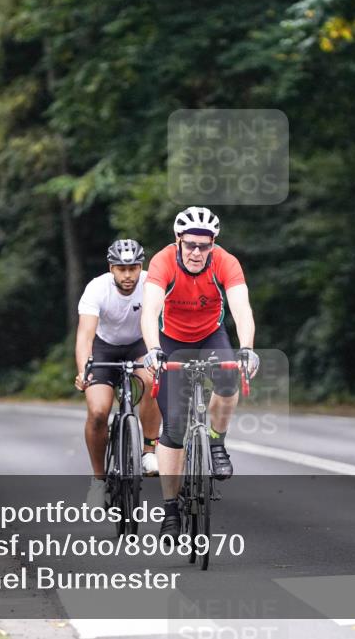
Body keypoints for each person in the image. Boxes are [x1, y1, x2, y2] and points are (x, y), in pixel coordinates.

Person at [140, 206, 260, 541]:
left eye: (204, 246)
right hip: (171, 340)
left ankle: (216, 442)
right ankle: (170, 510)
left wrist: (247, 348)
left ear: (213, 244)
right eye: (190, 244)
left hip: (210, 336)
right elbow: (149, 311)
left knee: (228, 377)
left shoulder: (225, 262)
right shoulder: (163, 261)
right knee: (174, 426)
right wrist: (153, 349)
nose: (196, 252)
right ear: (178, 239)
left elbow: (242, 309)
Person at [76, 239, 163, 508]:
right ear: (111, 268)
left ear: (141, 267)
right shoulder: (97, 288)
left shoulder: (152, 284)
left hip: (139, 345)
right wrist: (83, 371)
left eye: (133, 268)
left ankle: (148, 451)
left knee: (153, 379)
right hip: (104, 349)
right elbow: (85, 336)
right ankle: (98, 480)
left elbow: (166, 324)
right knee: (98, 412)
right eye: (121, 269)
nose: (128, 275)